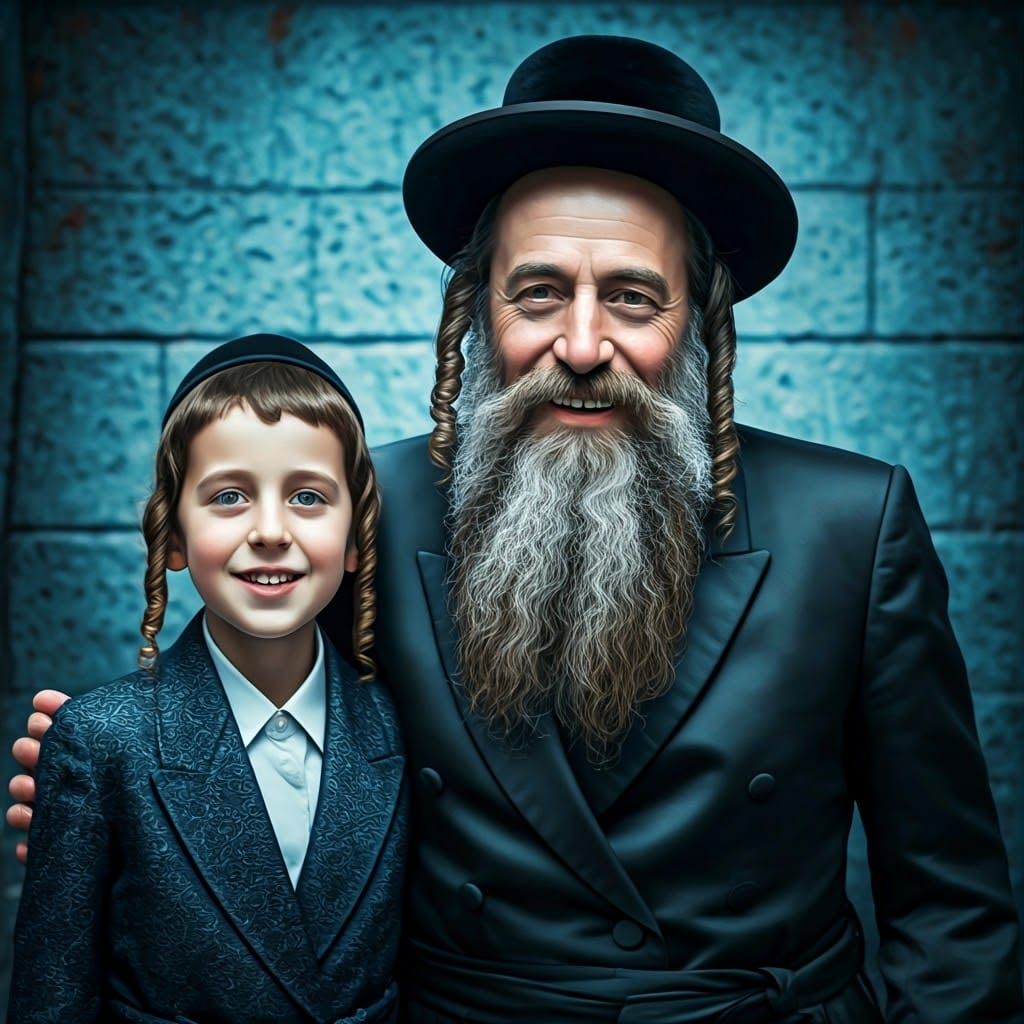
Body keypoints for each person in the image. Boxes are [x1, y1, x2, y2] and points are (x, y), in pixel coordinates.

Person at [10, 34, 1023, 1024]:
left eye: (631, 297)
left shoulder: (854, 520)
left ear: (699, 320)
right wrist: (131, 784)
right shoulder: (369, 505)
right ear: (475, 311)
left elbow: (952, 901)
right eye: (538, 292)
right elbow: (272, 728)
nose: (580, 345)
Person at [7, 335, 406, 1024]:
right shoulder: (102, 740)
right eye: (229, 496)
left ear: (354, 541)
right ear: (173, 537)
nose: (271, 530)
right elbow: (54, 993)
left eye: (308, 496)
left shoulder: (397, 725)